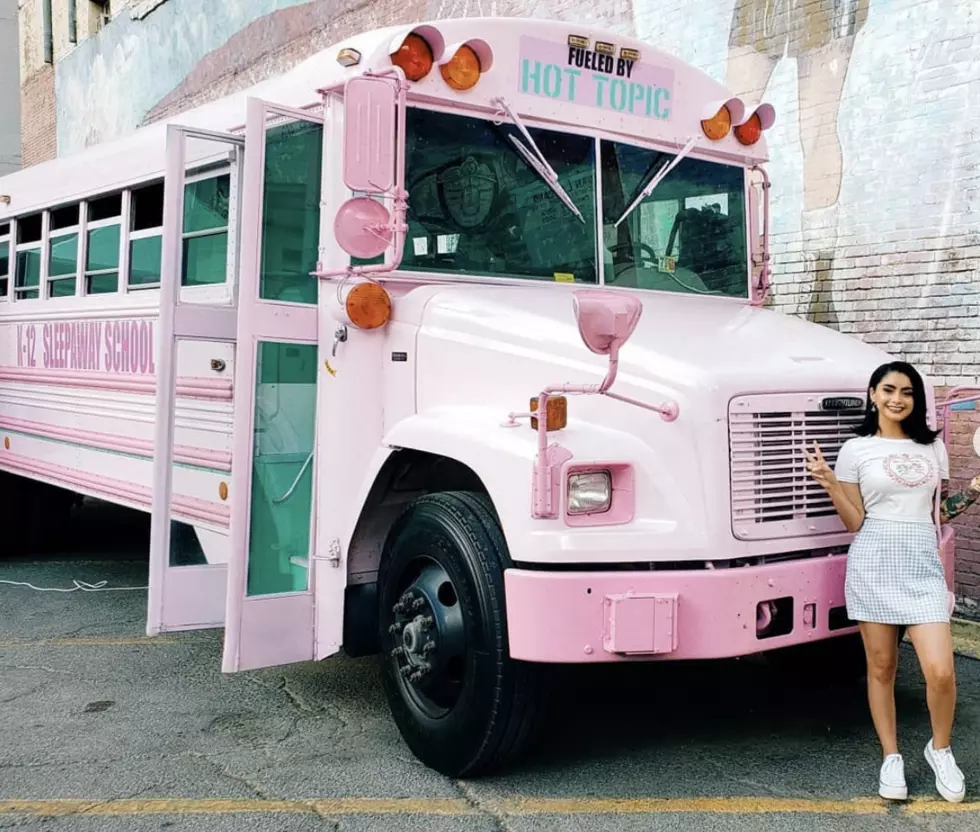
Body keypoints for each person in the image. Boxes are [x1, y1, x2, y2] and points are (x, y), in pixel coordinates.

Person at [805, 361, 979, 804]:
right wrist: (828, 482)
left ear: (916, 399)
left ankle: (939, 748)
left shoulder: (932, 449)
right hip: (874, 565)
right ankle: (891, 756)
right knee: (881, 669)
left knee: (940, 671)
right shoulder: (855, 450)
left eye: (907, 392)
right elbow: (854, 521)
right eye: (888, 390)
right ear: (873, 393)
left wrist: (976, 489)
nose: (897, 398)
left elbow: (936, 514)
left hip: (922, 569)